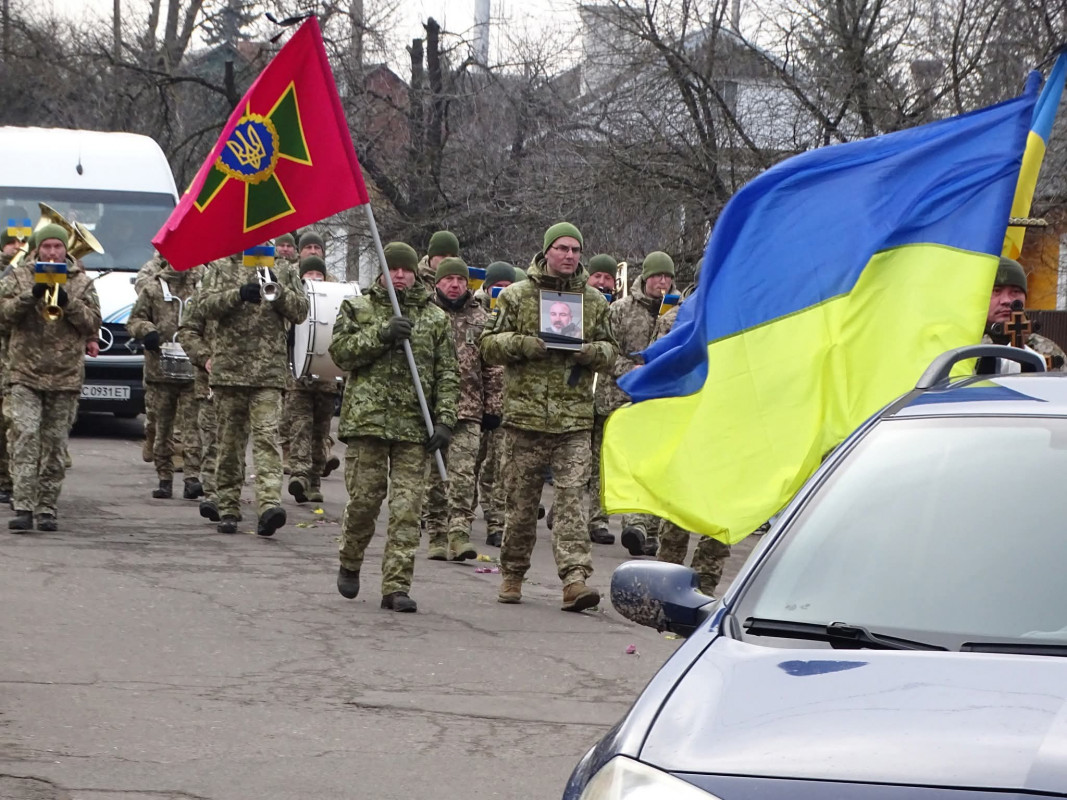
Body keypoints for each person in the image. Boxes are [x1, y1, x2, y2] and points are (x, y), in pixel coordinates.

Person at [481, 222, 618, 611]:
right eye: (562, 248)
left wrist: (590, 352)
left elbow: (611, 350)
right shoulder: (517, 296)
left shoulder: (593, 302)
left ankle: (575, 580)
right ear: (546, 251)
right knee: (521, 505)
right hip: (524, 420)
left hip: (573, 420)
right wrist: (521, 344)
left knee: (573, 502)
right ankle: (512, 573)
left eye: (576, 249)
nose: (569, 255)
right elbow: (488, 345)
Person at [329, 242, 459, 613]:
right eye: (392, 269)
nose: (399, 276)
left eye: (405, 270)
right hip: (368, 424)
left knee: (407, 510)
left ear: (416, 273)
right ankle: (350, 559)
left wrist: (445, 420)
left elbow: (447, 373)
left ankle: (396, 586)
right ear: (382, 273)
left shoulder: (433, 318)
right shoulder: (358, 307)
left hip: (413, 428)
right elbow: (341, 352)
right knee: (365, 502)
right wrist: (383, 334)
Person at [197, 250, 308, 536]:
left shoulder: (283, 269)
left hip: (268, 372)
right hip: (229, 372)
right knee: (229, 443)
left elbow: (301, 311)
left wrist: (278, 291)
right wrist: (237, 295)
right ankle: (228, 506)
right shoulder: (221, 266)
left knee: (266, 438)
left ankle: (268, 505)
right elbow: (204, 307)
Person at [0, 222, 101, 531]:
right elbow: (3, 317)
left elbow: (93, 323)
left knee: (55, 444)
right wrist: (29, 297)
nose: (53, 252)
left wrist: (69, 304)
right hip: (25, 374)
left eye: (58, 247)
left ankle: (47, 507)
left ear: (65, 250)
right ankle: (24, 506)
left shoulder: (82, 282)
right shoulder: (18, 277)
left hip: (65, 377)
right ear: (37, 250)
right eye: (47, 247)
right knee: (25, 436)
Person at [650, 281, 732, 596]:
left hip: (729, 424)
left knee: (722, 512)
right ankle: (665, 580)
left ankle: (704, 587)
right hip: (688, 422)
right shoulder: (675, 319)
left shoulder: (745, 311)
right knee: (679, 508)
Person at [595, 251, 678, 557]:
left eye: (668, 277)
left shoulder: (676, 313)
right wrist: (631, 372)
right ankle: (630, 523)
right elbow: (607, 351)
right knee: (624, 463)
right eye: (658, 276)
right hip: (622, 397)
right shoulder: (621, 310)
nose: (663, 282)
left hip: (661, 400)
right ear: (645, 277)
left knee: (655, 464)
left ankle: (648, 530)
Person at [423, 256, 503, 561]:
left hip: (469, 410)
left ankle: (459, 533)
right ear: (437, 282)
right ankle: (436, 534)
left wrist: (493, 408)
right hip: (431, 412)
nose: (455, 285)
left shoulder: (481, 319)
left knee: (463, 474)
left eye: (460, 279)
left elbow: (493, 368)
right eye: (448, 280)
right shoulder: (427, 316)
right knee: (434, 474)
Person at [127, 260, 202, 500]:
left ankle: (192, 477)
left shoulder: (202, 284)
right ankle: (164, 477)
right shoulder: (153, 287)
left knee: (192, 427)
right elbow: (134, 320)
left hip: (192, 367)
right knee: (162, 427)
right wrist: (146, 330)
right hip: (160, 369)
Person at [287, 255, 343, 505]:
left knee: (320, 432)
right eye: (309, 275)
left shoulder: (332, 299)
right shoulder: (293, 301)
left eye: (318, 275)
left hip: (327, 380)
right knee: (300, 427)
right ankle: (298, 475)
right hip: (298, 380)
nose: (314, 279)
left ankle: (315, 479)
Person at [176, 270, 224, 523]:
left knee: (237, 443)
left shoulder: (266, 282)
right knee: (212, 440)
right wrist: (205, 357)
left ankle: (231, 495)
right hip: (211, 383)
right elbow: (187, 331)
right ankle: (214, 496)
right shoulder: (205, 291)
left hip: (252, 381)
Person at [474, 261, 514, 546]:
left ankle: (496, 522)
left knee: (501, 467)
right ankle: (451, 514)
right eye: (498, 286)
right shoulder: (475, 315)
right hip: (472, 404)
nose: (503, 292)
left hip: (506, 405)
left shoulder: (521, 312)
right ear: (487, 287)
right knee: (467, 464)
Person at [981, 256, 1067, 372]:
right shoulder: (965, 347)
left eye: (1015, 291)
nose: (1006, 300)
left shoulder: (1046, 350)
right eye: (996, 291)